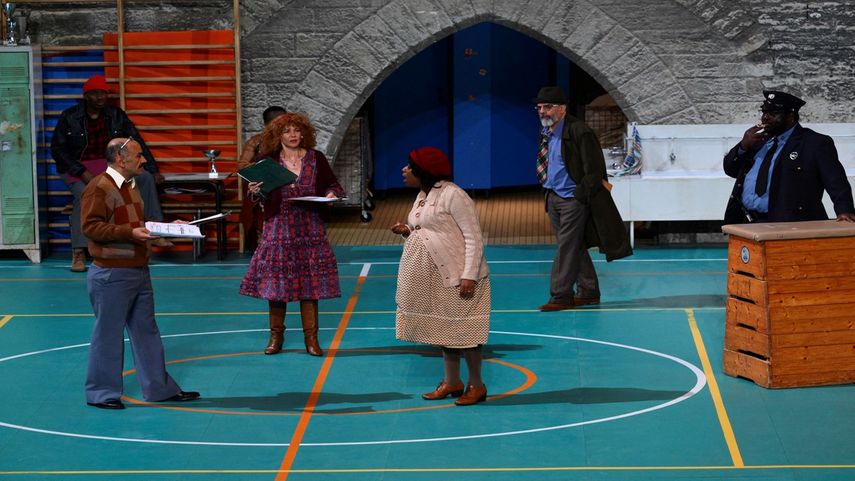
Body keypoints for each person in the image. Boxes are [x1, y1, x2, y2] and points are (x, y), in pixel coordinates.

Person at [81, 137, 200, 410]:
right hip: (112, 273)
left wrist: (166, 229)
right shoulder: (98, 188)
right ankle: (101, 394)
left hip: (137, 269)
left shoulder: (131, 185)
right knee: (107, 335)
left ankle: (159, 389)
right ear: (121, 159)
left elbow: (136, 225)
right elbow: (91, 227)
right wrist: (130, 233)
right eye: (138, 156)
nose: (144, 160)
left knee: (147, 332)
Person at [239, 113, 345, 356]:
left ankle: (312, 339)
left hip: (310, 228)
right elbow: (255, 196)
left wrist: (330, 195)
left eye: (297, 130)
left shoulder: (316, 158)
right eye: (287, 131)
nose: (293, 135)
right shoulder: (268, 161)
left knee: (310, 285)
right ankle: (276, 337)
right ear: (278, 136)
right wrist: (255, 191)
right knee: (277, 285)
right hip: (278, 228)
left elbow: (334, 185)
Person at [391, 146, 491, 406]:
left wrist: (469, 275)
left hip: (458, 275)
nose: (404, 170)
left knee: (467, 333)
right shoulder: (424, 194)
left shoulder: (454, 195)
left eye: (409, 166)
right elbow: (425, 227)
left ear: (422, 171)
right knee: (446, 330)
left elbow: (473, 237)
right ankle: (452, 382)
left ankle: (477, 386)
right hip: (433, 275)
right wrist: (407, 230)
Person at [52, 74, 172, 273]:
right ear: (86, 96)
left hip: (110, 163)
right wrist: (81, 172)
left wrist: (152, 168)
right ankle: (79, 251)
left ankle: (156, 230)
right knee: (86, 196)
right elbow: (58, 150)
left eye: (104, 93)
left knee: (146, 179)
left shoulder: (116, 115)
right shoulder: (69, 116)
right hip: (78, 166)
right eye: (96, 94)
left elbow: (136, 142)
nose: (101, 98)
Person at [532, 86, 632, 312]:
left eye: (547, 107)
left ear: (562, 109)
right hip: (554, 196)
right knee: (574, 246)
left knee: (566, 247)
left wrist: (578, 196)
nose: (542, 112)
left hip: (572, 199)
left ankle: (561, 295)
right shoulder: (548, 132)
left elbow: (594, 171)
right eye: (539, 107)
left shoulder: (580, 131)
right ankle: (588, 292)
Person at [724, 90, 855, 224]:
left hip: (790, 223)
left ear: (791, 116)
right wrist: (743, 146)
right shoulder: (756, 141)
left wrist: (845, 211)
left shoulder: (813, 143)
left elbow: (835, 181)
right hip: (747, 222)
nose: (765, 118)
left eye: (773, 114)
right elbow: (731, 170)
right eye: (764, 112)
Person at [238, 105, 287, 251]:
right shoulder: (256, 141)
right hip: (263, 187)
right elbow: (242, 166)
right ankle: (263, 243)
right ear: (267, 124)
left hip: (287, 186)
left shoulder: (292, 140)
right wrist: (265, 169)